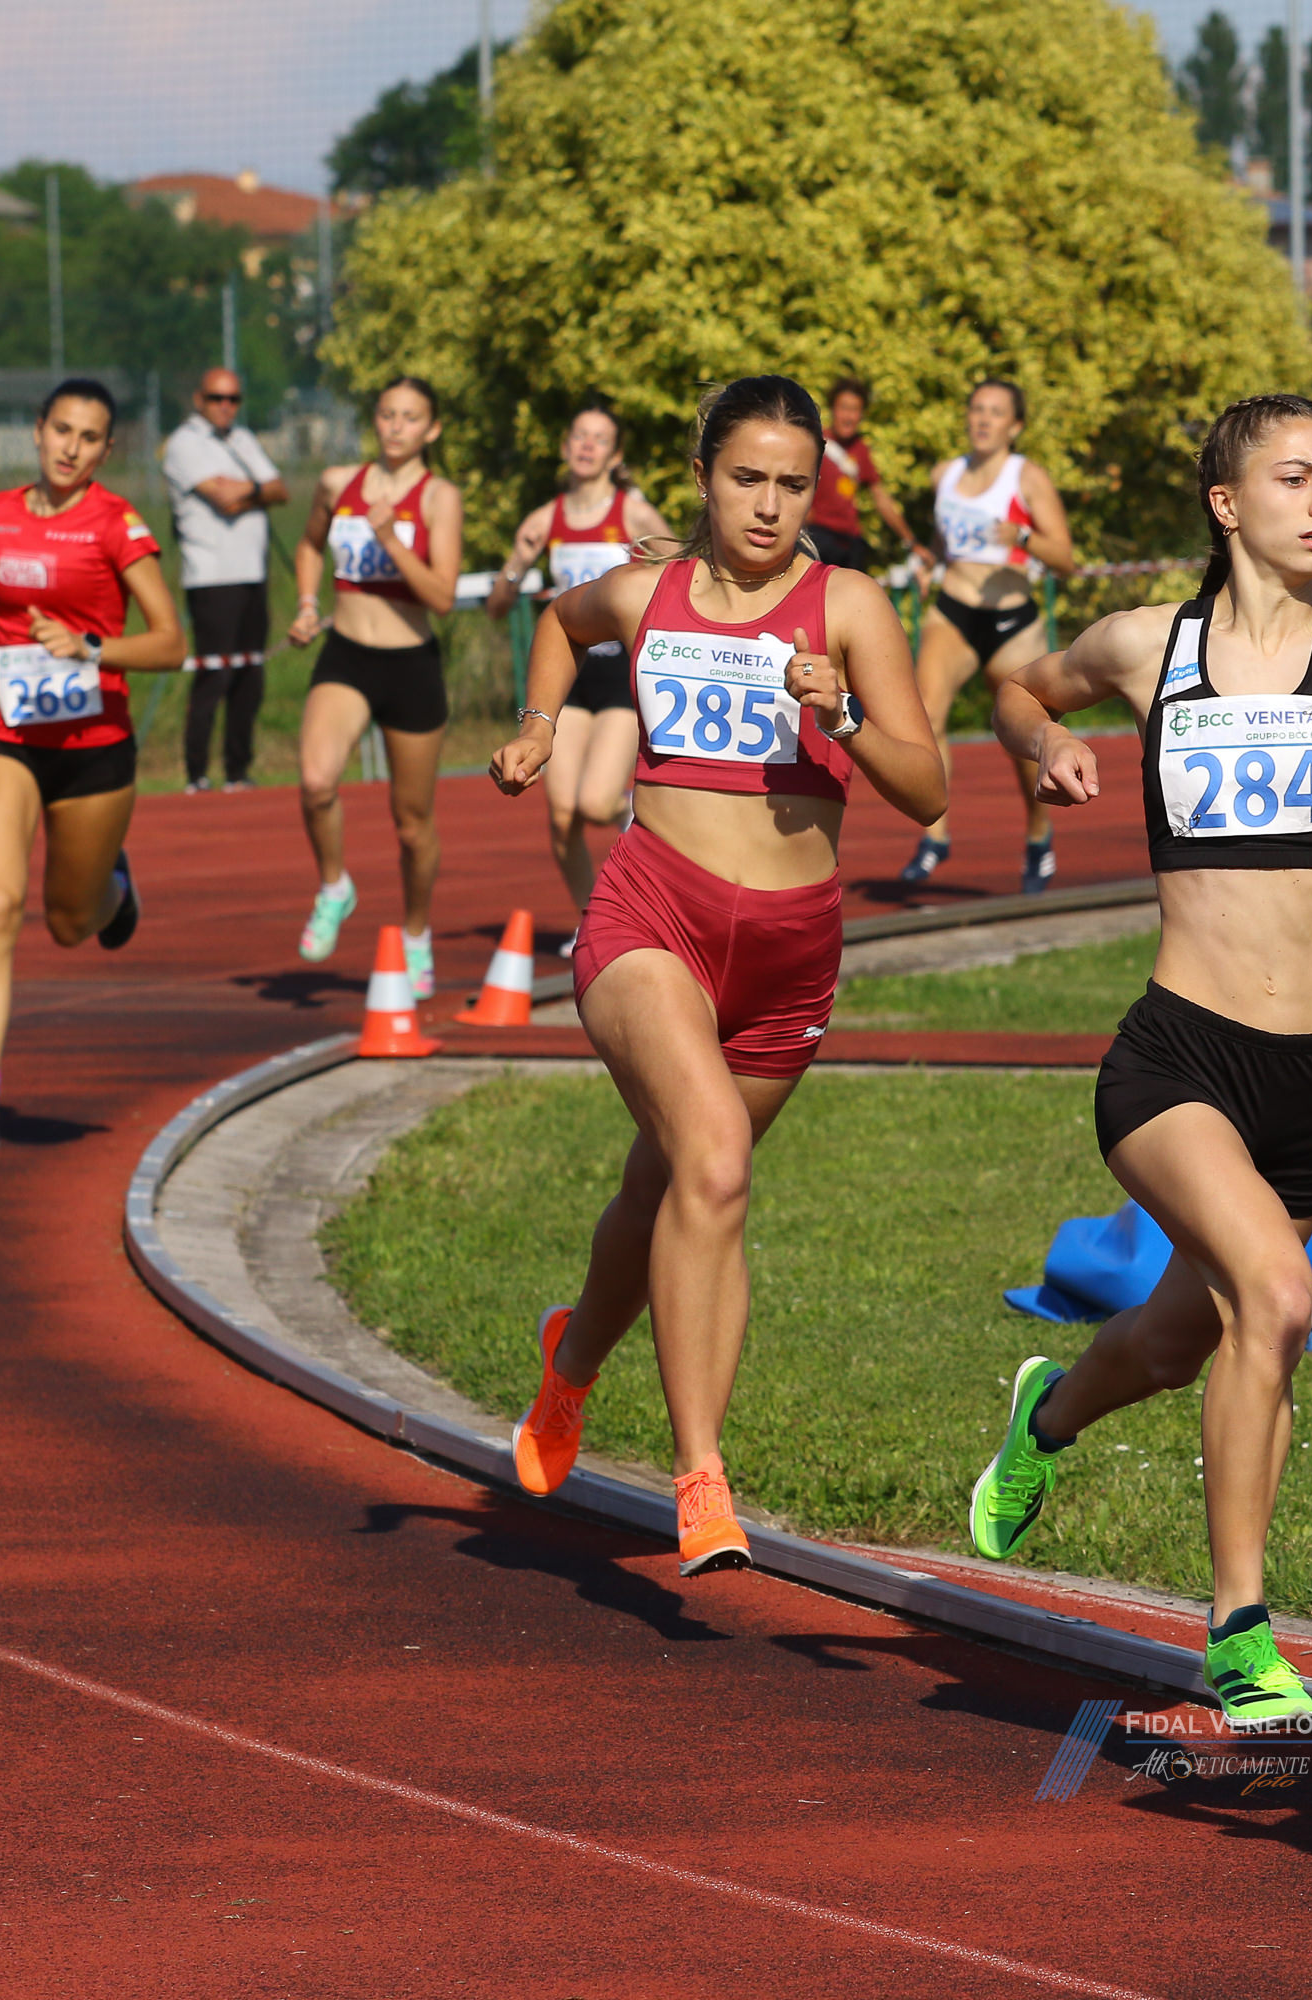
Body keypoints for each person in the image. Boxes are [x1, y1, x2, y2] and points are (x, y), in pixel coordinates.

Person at [962, 392, 1312, 1727]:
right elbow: (1017, 685)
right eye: (1294, 478)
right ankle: (1241, 1632)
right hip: (1177, 1058)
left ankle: (1046, 1416)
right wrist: (1044, 742)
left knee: (1178, 1334)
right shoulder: (1149, 645)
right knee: (1275, 1297)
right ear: (1227, 502)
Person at [489, 376, 944, 1573]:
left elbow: (929, 788)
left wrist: (846, 718)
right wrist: (540, 723)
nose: (770, 504)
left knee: (670, 1186)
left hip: (791, 951)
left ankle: (570, 1363)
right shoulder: (645, 590)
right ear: (703, 478)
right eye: (748, 478)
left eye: (794, 483)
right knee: (716, 1162)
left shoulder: (848, 605)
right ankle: (700, 1476)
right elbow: (558, 622)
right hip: (654, 916)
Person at [0, 376, 185, 1157]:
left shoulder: (116, 524)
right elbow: (3, 584)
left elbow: (170, 641)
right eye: (62, 430)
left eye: (89, 437)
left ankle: (116, 890)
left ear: (106, 450)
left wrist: (90, 648)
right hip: (2, 728)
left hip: (93, 745)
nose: (71, 448)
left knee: (71, 922)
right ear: (38, 430)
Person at [287, 377, 464, 987]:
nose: (395, 427)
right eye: (387, 414)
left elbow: (442, 596)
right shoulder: (338, 483)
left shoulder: (439, 497)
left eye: (410, 417)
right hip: (347, 655)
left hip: (411, 664)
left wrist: (389, 538)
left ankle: (416, 934)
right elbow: (309, 546)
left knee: (412, 826)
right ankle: (334, 885)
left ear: (430, 429)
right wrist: (307, 603)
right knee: (316, 782)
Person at [486, 400, 674, 945]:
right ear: (566, 447)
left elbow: (684, 581)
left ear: (614, 456)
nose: (588, 446)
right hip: (569, 676)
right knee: (562, 815)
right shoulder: (544, 520)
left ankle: (635, 808)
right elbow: (497, 607)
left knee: (594, 803)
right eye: (580, 436)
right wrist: (518, 562)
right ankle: (595, 924)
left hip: (619, 676)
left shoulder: (635, 516)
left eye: (600, 439)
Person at [897, 379, 1076, 894]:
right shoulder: (945, 474)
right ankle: (935, 835)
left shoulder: (1027, 477)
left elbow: (1066, 560)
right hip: (954, 611)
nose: (983, 419)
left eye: (995, 412)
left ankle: (1039, 834)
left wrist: (1022, 536)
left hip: (1012, 619)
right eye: (977, 409)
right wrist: (929, 564)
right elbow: (943, 538)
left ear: (1014, 426)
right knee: (925, 715)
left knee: (1022, 741)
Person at [160, 366, 287, 793]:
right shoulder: (184, 444)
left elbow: (280, 490)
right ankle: (197, 773)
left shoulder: (243, 439)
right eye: (217, 398)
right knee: (214, 675)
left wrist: (247, 489)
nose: (225, 407)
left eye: (233, 399)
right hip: (212, 577)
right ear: (200, 400)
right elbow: (225, 500)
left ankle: (238, 770)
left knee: (250, 675)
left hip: (254, 573)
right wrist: (257, 490)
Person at [804, 377, 915, 574]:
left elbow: (881, 498)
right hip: (818, 537)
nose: (848, 416)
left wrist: (910, 540)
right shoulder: (815, 444)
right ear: (833, 410)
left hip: (850, 542)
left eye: (855, 410)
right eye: (844, 408)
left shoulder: (860, 450)